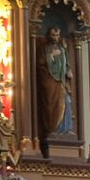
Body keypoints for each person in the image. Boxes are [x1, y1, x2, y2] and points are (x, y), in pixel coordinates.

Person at [36, 26, 73, 155]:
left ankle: (65, 129)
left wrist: (68, 70)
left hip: (62, 82)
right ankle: (53, 129)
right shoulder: (44, 49)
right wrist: (51, 56)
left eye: (57, 35)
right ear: (48, 35)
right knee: (52, 105)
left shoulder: (62, 48)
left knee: (66, 102)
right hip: (50, 83)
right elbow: (40, 63)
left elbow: (66, 63)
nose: (55, 38)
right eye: (53, 35)